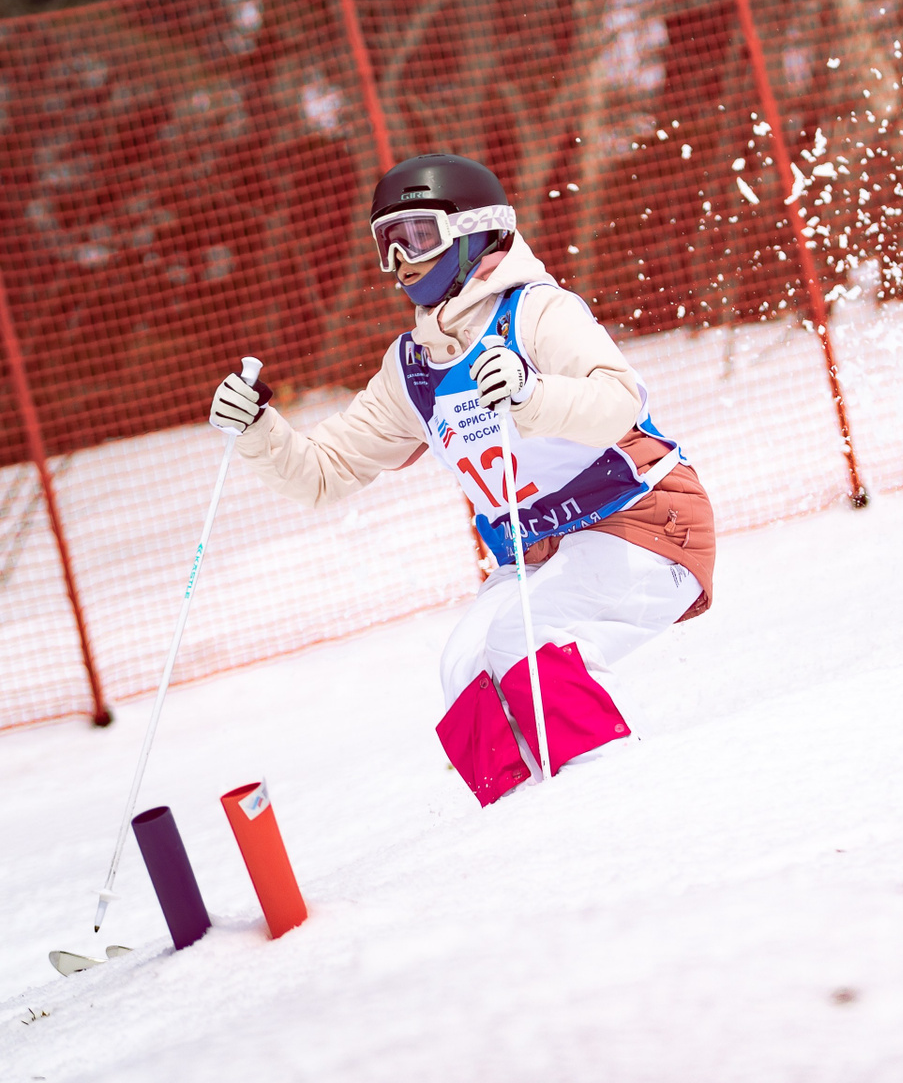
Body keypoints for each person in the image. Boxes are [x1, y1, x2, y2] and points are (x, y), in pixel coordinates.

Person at [208, 154, 714, 806]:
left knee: (525, 641)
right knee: (466, 664)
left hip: (643, 521)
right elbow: (323, 473)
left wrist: (532, 395)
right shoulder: (414, 369)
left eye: (417, 236)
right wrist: (257, 430)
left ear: (475, 231)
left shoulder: (537, 312)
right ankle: (520, 810)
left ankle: (610, 794)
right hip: (540, 554)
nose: (401, 261)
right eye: (387, 243)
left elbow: (619, 400)